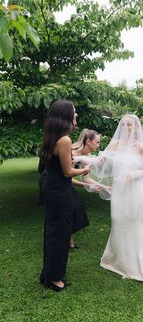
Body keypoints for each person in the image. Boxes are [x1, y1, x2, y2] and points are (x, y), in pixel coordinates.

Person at [79, 114, 143, 281]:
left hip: (134, 190)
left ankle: (133, 260)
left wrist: (134, 174)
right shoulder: (114, 144)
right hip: (119, 189)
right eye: (124, 125)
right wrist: (79, 158)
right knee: (117, 219)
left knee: (132, 221)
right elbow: (99, 162)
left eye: (130, 125)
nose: (127, 128)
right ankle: (117, 257)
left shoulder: (140, 147)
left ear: (136, 128)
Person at [39, 100, 90, 292]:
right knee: (60, 233)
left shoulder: (54, 136)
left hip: (53, 187)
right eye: (74, 113)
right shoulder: (65, 140)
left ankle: (48, 274)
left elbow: (59, 166)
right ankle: (54, 279)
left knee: (54, 230)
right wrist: (85, 168)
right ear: (66, 116)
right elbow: (68, 172)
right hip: (59, 191)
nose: (76, 115)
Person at [69, 129, 101, 249]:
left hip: (65, 182)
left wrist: (105, 187)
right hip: (57, 182)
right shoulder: (73, 153)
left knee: (76, 208)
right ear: (88, 141)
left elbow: (87, 179)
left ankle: (69, 240)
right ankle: (68, 241)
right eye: (97, 142)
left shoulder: (86, 156)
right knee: (74, 207)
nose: (98, 145)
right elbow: (68, 177)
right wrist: (86, 186)